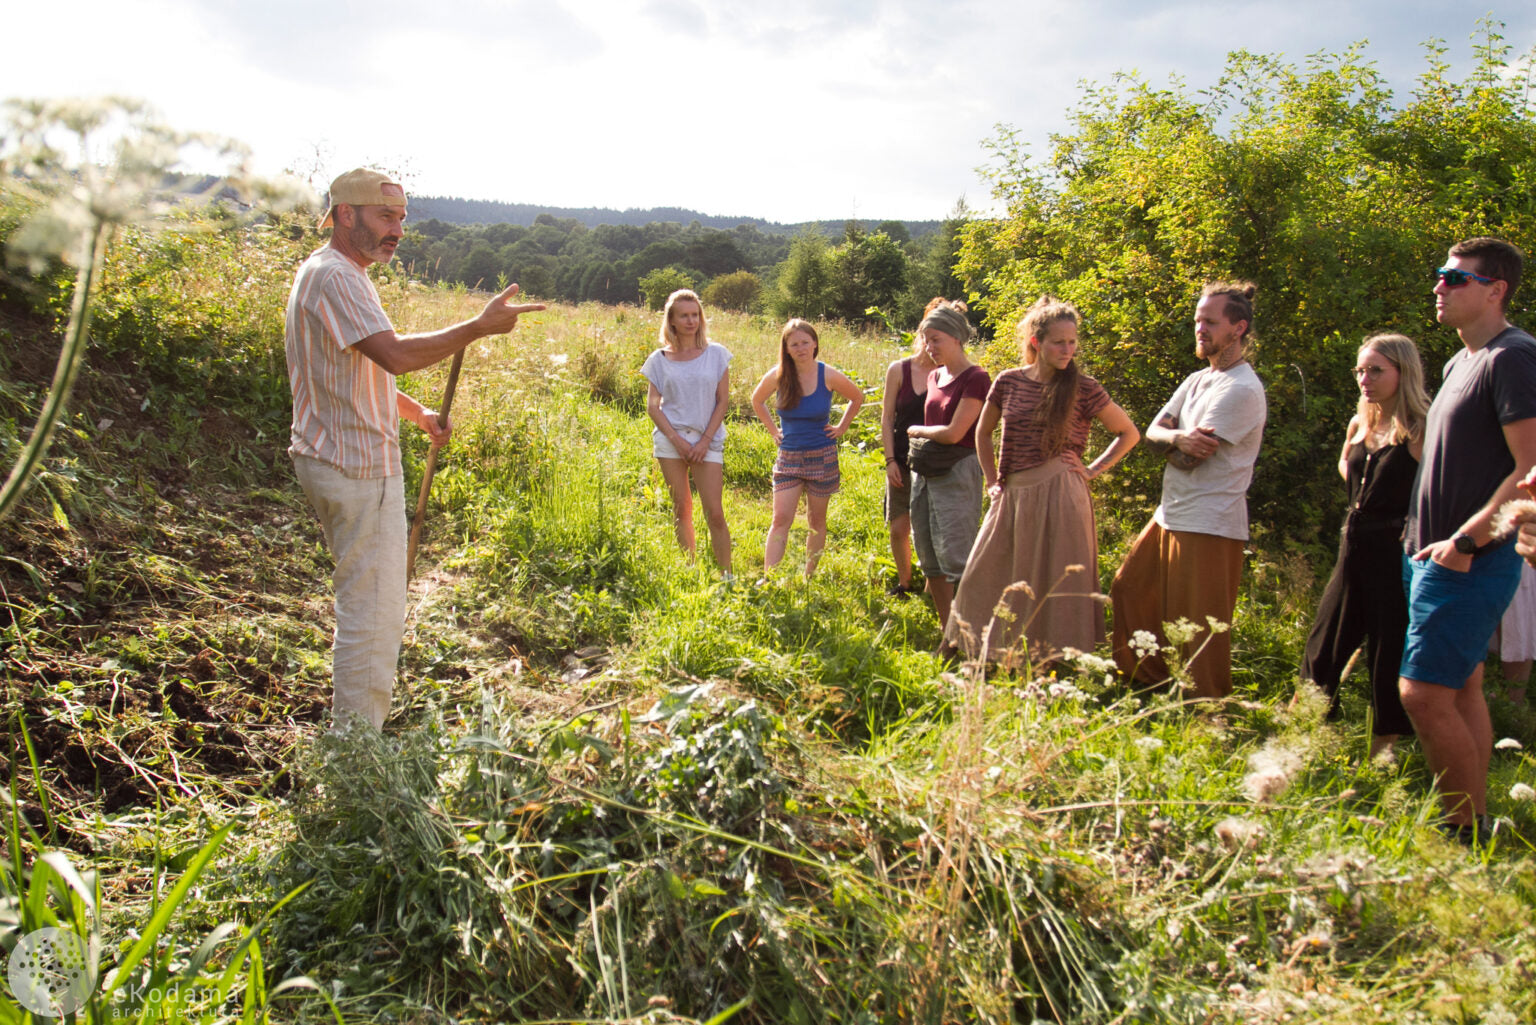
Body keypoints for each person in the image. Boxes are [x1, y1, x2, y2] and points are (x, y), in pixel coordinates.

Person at [286, 168, 544, 730]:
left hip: (327, 457)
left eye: (402, 218)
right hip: (357, 470)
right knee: (374, 613)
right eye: (385, 216)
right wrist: (477, 326)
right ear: (346, 215)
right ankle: (355, 752)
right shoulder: (338, 277)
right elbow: (396, 355)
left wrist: (417, 414)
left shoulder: (330, 270)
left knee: (366, 600)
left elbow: (362, 366)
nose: (397, 229)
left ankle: (355, 734)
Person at [1398, 238, 1536, 842]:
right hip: (1431, 553)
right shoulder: (1460, 362)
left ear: (1495, 289)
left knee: (1422, 693)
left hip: (1470, 558)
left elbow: (1530, 467)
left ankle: (1462, 830)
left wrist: (1466, 542)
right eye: (1440, 275)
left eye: (1453, 277)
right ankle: (1478, 817)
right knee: (1461, 688)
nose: (1439, 285)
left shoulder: (1514, 357)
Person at [945, 297, 1138, 665]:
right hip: (1013, 491)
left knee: (1057, 580)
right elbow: (982, 434)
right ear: (1036, 342)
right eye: (1058, 342)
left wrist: (1092, 469)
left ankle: (1051, 662)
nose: (1068, 350)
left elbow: (1127, 433)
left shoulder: (1084, 387)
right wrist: (992, 482)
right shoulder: (1009, 381)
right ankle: (976, 647)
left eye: (1072, 341)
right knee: (981, 575)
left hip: (1063, 493)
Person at [1110, 281, 1267, 699]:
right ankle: (1152, 681)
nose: (1199, 328)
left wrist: (1172, 441)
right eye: (1198, 320)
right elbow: (1153, 432)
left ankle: (1207, 706)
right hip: (1172, 511)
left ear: (1238, 328)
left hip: (1210, 519)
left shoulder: (1240, 389)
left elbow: (1186, 460)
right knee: (1129, 588)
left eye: (1210, 322)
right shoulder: (1199, 379)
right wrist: (1179, 437)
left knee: (1199, 620)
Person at [1300, 334, 1428, 757]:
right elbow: (1346, 464)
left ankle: (1382, 753)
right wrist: (1363, 495)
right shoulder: (1361, 421)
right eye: (1360, 370)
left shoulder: (1419, 427)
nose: (1365, 379)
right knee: (1324, 642)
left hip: (1395, 551)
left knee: (1387, 648)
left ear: (1402, 372)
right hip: (1352, 544)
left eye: (1376, 370)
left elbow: (1438, 487)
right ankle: (1308, 732)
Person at [750, 319, 865, 578]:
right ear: (787, 348)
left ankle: (808, 576)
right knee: (780, 520)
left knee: (816, 521)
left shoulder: (828, 374)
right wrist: (773, 431)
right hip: (789, 456)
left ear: (814, 344)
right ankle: (769, 578)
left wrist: (841, 428)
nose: (801, 348)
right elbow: (757, 400)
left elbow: (857, 397)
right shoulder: (779, 374)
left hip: (822, 457)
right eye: (794, 344)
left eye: (805, 342)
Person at [905, 300, 990, 633]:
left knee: (958, 558)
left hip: (958, 474)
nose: (930, 347)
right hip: (925, 473)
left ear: (957, 338)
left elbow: (956, 433)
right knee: (929, 557)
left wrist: (918, 430)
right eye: (927, 339)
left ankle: (974, 635)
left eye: (936, 339)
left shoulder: (976, 378)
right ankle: (948, 633)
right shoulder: (935, 375)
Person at [642, 289, 733, 573]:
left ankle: (726, 575)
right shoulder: (659, 359)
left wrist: (704, 441)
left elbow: (723, 401)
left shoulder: (716, 354)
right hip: (672, 442)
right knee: (682, 509)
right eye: (684, 315)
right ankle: (689, 569)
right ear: (672, 320)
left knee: (715, 513)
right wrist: (678, 442)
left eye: (695, 315)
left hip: (708, 441)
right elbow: (653, 406)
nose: (691, 320)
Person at [879, 304, 941, 595]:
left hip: (935, 465)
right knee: (898, 529)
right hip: (900, 462)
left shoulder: (949, 373)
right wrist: (889, 459)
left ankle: (932, 588)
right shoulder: (899, 369)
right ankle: (904, 582)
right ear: (921, 334)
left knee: (930, 531)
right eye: (931, 336)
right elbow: (887, 417)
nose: (934, 344)